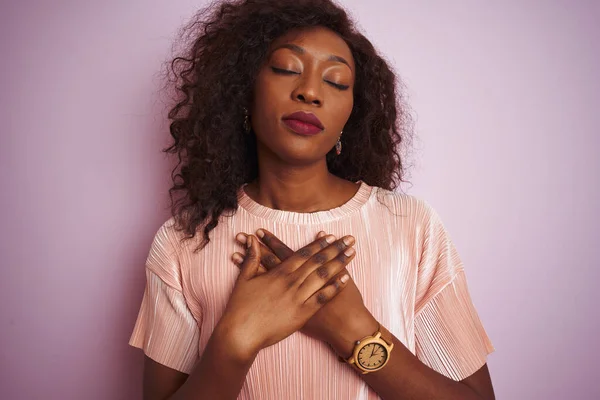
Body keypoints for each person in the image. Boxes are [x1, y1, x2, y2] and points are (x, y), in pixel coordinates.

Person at [128, 0, 496, 398]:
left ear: (351, 115)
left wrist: (354, 331)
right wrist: (236, 339)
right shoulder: (183, 242)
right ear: (244, 91)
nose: (309, 92)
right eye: (287, 69)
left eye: (336, 82)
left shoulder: (412, 226)